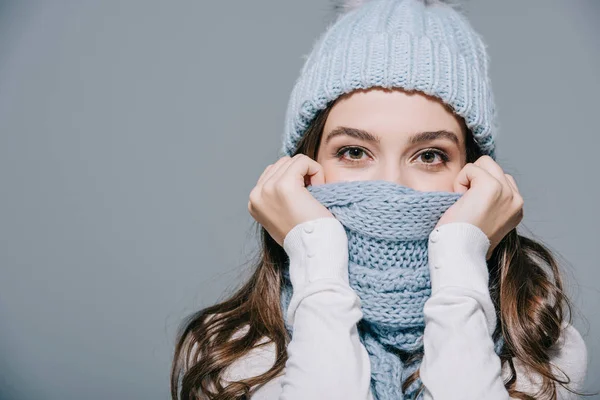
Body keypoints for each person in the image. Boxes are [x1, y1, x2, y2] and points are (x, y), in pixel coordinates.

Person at [170, 0, 593, 399]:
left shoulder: (542, 344)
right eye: (354, 152)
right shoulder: (227, 352)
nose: (392, 186)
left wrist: (461, 260)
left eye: (429, 156)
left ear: (477, 177)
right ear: (300, 168)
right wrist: (318, 268)